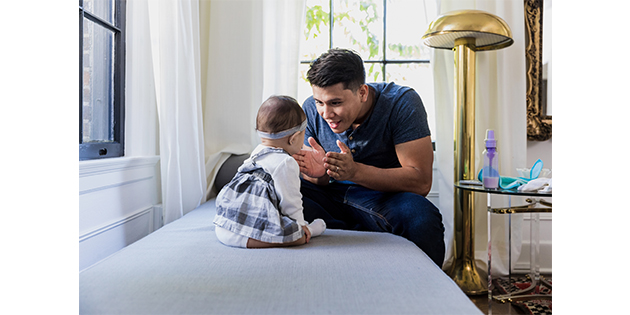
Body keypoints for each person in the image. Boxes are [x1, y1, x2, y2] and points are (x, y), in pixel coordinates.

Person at [294, 48, 445, 266]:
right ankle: (356, 235)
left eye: (335, 103)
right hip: (329, 194)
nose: (326, 113)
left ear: (363, 93)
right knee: (280, 192)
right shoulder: (310, 107)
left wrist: (354, 172)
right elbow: (313, 176)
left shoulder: (402, 103)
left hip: (386, 198)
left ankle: (427, 293)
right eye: (320, 102)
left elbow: (421, 182)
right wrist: (320, 176)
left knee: (421, 217)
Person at [213, 95, 327, 248]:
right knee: (299, 237)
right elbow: (291, 201)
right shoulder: (286, 162)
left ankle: (240, 235)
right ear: (293, 138)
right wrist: (301, 226)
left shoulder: (257, 152)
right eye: (303, 135)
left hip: (225, 225)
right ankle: (310, 230)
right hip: (249, 225)